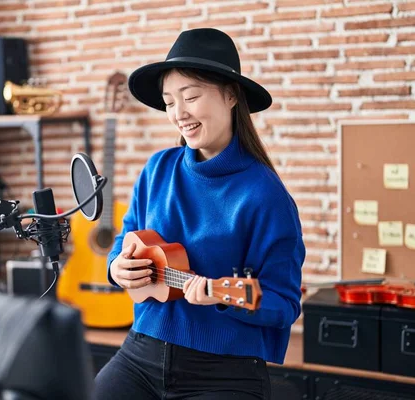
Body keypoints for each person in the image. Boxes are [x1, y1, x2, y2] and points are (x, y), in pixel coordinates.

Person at [93, 28, 305, 400]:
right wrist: (116, 268)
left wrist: (220, 296)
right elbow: (122, 243)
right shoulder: (157, 169)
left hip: (224, 372)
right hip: (141, 353)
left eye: (190, 97)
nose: (179, 114)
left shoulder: (265, 196)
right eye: (169, 101)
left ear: (230, 96)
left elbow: (283, 304)